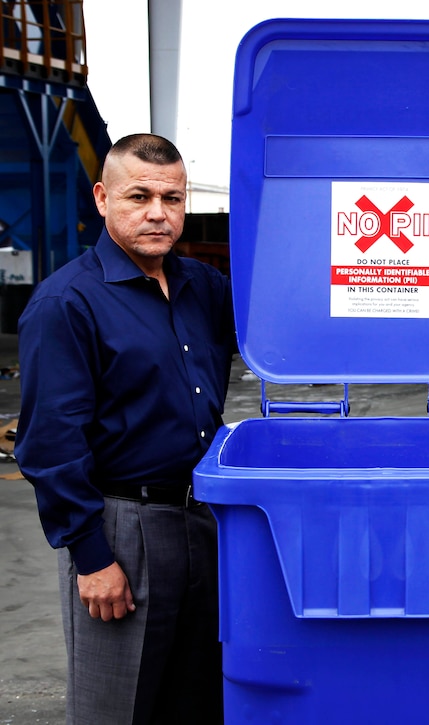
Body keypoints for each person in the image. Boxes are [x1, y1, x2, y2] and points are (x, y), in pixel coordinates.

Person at [15, 134, 234, 723]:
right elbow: (49, 444)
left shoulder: (204, 289)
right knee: (117, 707)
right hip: (122, 529)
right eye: (139, 196)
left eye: (173, 198)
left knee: (201, 699)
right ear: (102, 198)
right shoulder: (67, 304)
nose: (159, 213)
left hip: (206, 518)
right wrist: (91, 558)